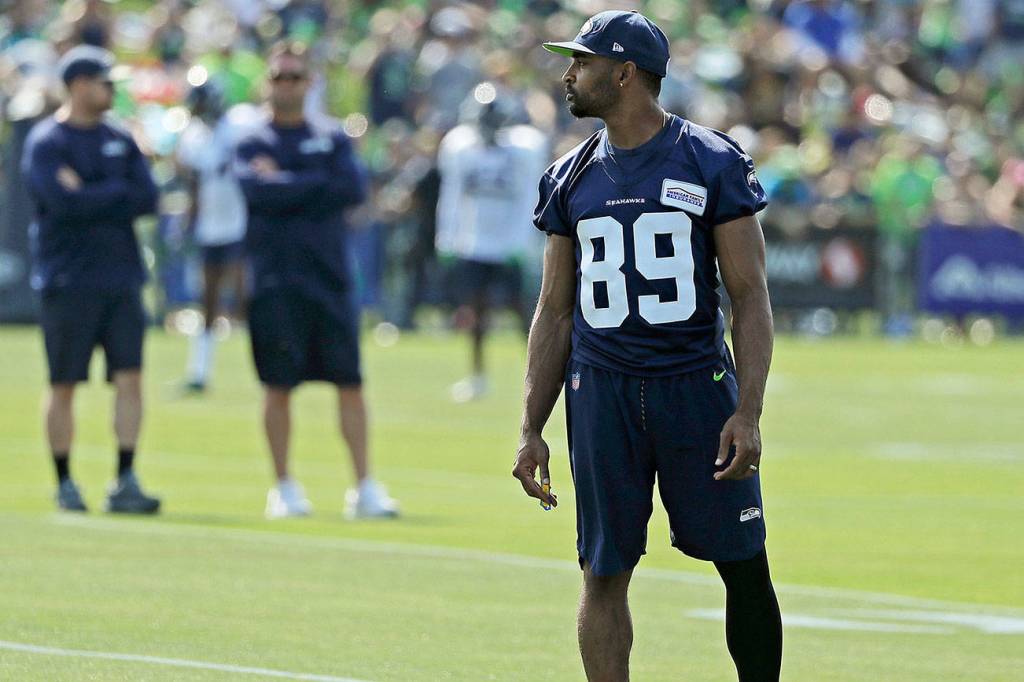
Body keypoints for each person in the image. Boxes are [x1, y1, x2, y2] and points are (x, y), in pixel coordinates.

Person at [512, 11, 782, 681]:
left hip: (695, 387)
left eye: (584, 62)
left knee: (743, 562)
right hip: (601, 392)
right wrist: (530, 427)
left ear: (625, 73)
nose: (569, 75)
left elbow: (749, 296)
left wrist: (747, 411)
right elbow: (555, 309)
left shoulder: (710, 160)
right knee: (602, 570)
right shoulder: (568, 176)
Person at [235, 42, 398, 520]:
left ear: (309, 83)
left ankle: (363, 486)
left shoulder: (331, 136)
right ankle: (283, 486)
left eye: (295, 77)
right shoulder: (252, 140)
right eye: (279, 77)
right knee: (277, 384)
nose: (286, 85)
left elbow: (349, 189)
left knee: (349, 381)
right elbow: (257, 192)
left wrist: (286, 180)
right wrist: (311, 182)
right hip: (274, 280)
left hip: (328, 277)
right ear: (267, 83)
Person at [22, 45, 161, 514]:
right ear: (79, 85)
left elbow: (146, 197)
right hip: (69, 279)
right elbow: (62, 204)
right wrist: (113, 194)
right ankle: (64, 480)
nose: (111, 90)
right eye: (105, 82)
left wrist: (91, 192)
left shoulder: (120, 137)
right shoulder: (48, 141)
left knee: (129, 377)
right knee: (64, 382)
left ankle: (125, 477)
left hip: (121, 277)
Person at [435, 88, 548, 401]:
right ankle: (477, 376)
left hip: (509, 244)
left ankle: (541, 375)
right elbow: (452, 194)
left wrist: (523, 241)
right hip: (475, 243)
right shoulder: (461, 147)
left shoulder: (523, 149)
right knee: (475, 312)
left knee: (525, 313)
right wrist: (446, 237)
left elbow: (529, 196)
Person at [176, 80, 253, 392]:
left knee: (246, 297)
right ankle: (199, 371)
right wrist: (189, 221)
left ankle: (268, 367)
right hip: (211, 226)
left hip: (240, 221)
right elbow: (194, 183)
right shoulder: (194, 137)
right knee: (207, 300)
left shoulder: (240, 125)